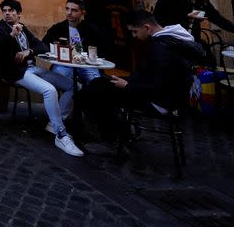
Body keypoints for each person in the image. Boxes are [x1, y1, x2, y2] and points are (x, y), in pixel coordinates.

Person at [85, 9, 205, 141]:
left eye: (134, 31)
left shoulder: (162, 47)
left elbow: (160, 86)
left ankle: (114, 138)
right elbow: (154, 76)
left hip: (162, 102)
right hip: (170, 98)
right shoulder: (175, 39)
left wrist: (127, 86)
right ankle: (122, 130)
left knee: (98, 91)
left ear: (147, 27)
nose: (133, 36)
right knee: (99, 83)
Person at [0, 0, 82, 157]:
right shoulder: (0, 29)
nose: (7, 14)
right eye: (4, 11)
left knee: (74, 85)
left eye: (11, 11)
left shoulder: (23, 28)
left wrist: (29, 51)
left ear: (19, 14)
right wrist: (11, 35)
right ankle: (61, 134)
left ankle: (54, 123)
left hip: (32, 69)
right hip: (15, 72)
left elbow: (42, 46)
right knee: (49, 90)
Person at [43, 0, 109, 86]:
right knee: (60, 77)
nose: (69, 13)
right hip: (64, 65)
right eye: (67, 9)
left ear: (83, 13)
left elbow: (103, 48)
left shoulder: (92, 29)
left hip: (87, 65)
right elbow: (44, 45)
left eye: (74, 10)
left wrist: (92, 58)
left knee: (95, 82)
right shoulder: (57, 28)